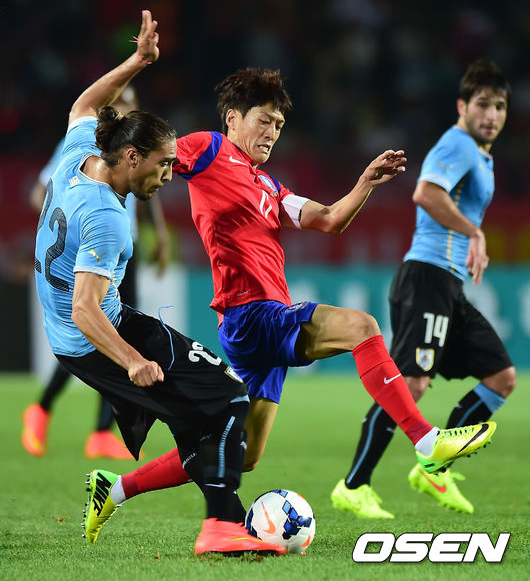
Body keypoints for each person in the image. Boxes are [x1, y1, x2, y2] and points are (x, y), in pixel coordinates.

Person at [82, 66, 498, 544]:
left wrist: (365, 182)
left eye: (278, 125)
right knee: (361, 327)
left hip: (258, 323)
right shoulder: (210, 148)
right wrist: (110, 169)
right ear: (232, 118)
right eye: (264, 120)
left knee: (242, 454)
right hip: (251, 313)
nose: (272, 132)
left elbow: (329, 219)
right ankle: (426, 441)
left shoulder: (269, 186)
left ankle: (114, 489)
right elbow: (159, 155)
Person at [35, 10, 285, 557]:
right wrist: (132, 361)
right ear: (131, 157)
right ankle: (221, 526)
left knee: (201, 414)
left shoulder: (80, 154)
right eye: (164, 165)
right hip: (95, 338)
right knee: (228, 398)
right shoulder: (107, 217)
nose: (170, 176)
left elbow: (83, 105)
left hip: (78, 335)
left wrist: (138, 61)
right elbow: (85, 309)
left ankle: (198, 513)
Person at [332, 58, 516, 518]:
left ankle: (435, 470)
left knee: (501, 378)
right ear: (462, 106)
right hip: (427, 278)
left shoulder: (482, 155)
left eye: (499, 107)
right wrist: (474, 232)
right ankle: (353, 486)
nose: (491, 115)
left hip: (449, 286)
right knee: (410, 385)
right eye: (483, 104)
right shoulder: (457, 144)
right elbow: (426, 193)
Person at [22, 86, 170, 460]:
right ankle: (42, 408)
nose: (127, 110)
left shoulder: (135, 153)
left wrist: (160, 232)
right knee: (96, 332)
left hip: (121, 248)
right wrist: (68, 228)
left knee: (113, 333)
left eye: (132, 105)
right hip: (89, 252)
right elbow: (42, 192)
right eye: (121, 104)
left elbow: (145, 192)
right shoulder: (85, 145)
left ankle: (101, 433)